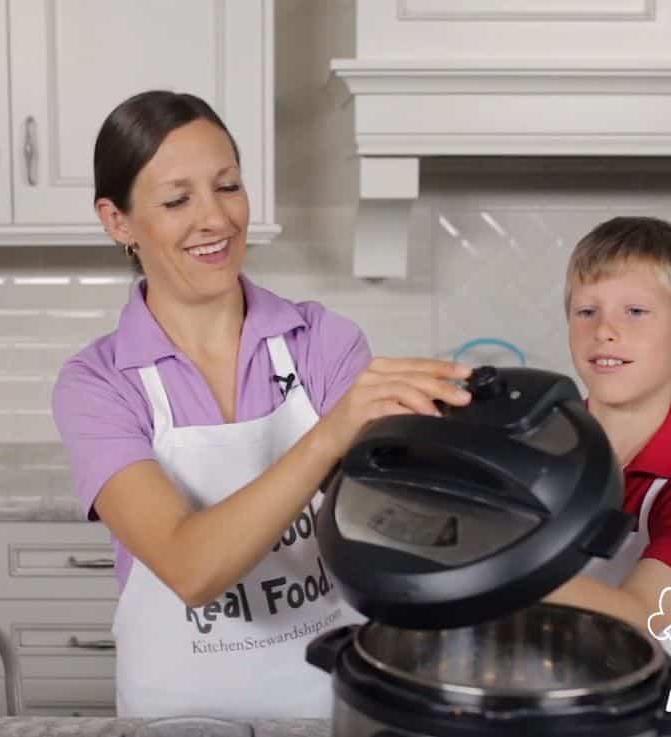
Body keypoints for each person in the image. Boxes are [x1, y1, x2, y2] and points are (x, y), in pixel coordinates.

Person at [50, 90, 472, 718]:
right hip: (176, 716)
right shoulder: (98, 383)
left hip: (326, 706)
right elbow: (190, 567)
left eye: (228, 186)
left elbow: (390, 522)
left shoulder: (324, 342)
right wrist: (332, 433)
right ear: (118, 221)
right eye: (176, 200)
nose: (215, 218)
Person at [543, 216, 671, 650]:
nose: (604, 331)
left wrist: (491, 566)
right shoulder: (537, 448)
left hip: (640, 712)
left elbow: (637, 615)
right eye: (586, 311)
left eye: (634, 312)